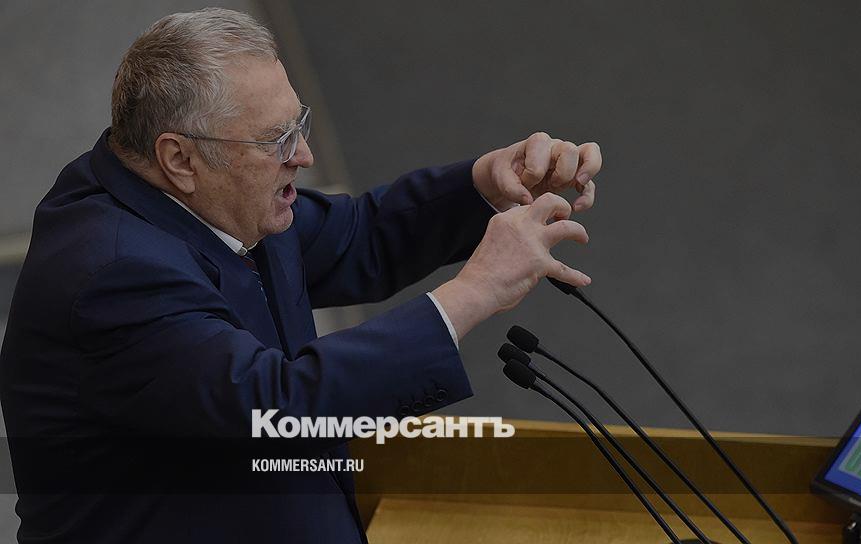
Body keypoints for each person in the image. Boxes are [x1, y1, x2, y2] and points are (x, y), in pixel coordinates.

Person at [0, 8, 601, 544]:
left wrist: (485, 185)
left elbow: (359, 238)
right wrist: (477, 290)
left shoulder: (220, 198)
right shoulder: (112, 274)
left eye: (299, 124)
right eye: (276, 139)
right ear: (178, 158)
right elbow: (278, 408)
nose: (304, 156)